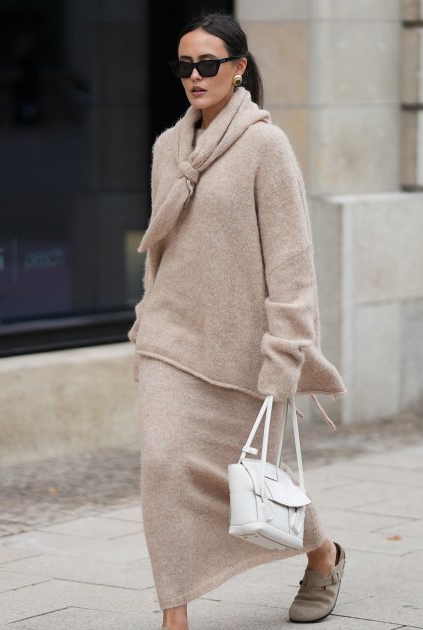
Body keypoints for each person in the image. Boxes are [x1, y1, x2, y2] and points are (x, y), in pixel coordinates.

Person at [127, 12, 348, 630]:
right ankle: (175, 615)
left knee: (249, 479)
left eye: (208, 64)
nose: (195, 76)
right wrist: (146, 321)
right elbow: (160, 252)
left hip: (245, 351)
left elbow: (292, 263)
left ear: (239, 68)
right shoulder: (167, 149)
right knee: (164, 465)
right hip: (171, 341)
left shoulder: (264, 146)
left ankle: (323, 553)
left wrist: (286, 353)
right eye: (185, 66)